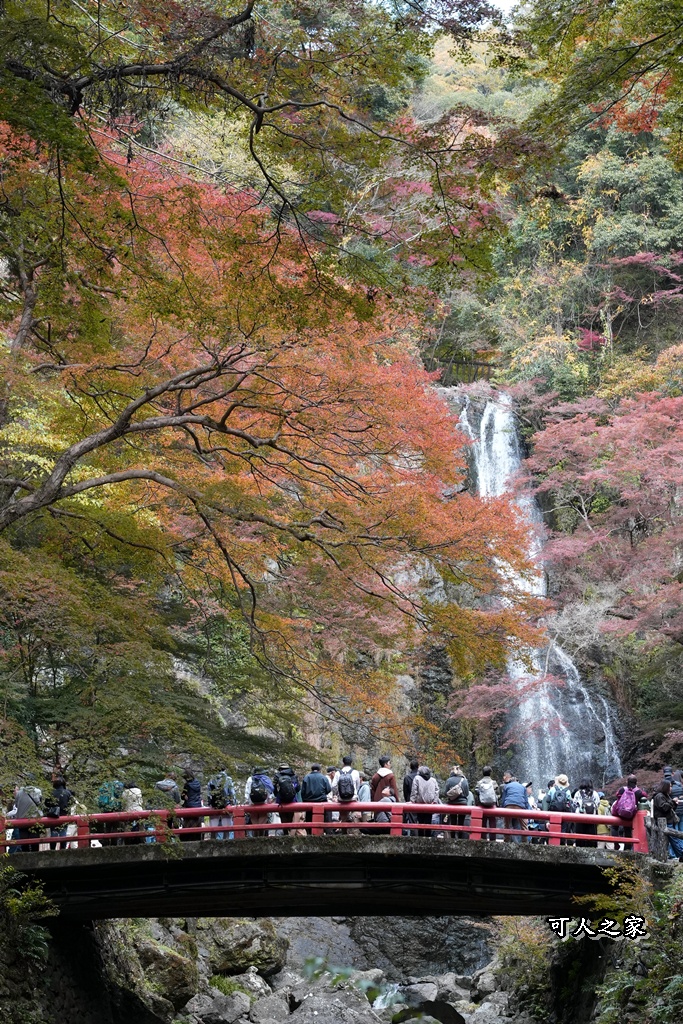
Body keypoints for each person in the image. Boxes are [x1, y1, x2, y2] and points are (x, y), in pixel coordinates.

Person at [610, 774, 647, 849]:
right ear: (636, 782)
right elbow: (645, 795)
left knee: (614, 827)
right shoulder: (638, 792)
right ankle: (627, 848)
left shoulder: (622, 789)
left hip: (619, 813)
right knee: (628, 830)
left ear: (627, 781)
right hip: (629, 814)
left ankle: (616, 844)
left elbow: (617, 795)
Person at [653, 780, 683, 860]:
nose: (671, 788)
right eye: (670, 786)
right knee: (674, 839)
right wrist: (672, 802)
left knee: (675, 839)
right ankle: (681, 854)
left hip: (668, 820)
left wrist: (674, 803)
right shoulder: (659, 796)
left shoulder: (665, 795)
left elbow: (670, 808)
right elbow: (664, 808)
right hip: (664, 821)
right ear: (665, 787)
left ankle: (680, 854)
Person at [10, 784, 42, 853]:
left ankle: (25, 855)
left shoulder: (19, 793)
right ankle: (35, 855)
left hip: (22, 820)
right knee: (35, 840)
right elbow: (40, 804)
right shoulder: (38, 791)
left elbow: (16, 805)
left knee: (24, 842)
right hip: (34, 820)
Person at [44, 773, 73, 850]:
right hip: (64, 815)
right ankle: (63, 849)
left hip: (53, 815)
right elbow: (71, 803)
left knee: (53, 833)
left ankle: (52, 849)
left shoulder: (51, 792)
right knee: (63, 832)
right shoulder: (67, 793)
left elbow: (46, 803)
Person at [410, 765, 440, 837]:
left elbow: (414, 791)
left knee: (420, 822)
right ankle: (428, 837)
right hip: (430, 805)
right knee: (428, 822)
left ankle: (420, 838)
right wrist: (435, 801)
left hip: (419, 804)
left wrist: (412, 801)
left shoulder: (417, 778)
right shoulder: (433, 780)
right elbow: (437, 790)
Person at [500, 772, 529, 843]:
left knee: (507, 824)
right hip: (520, 805)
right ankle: (525, 842)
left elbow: (503, 799)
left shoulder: (506, 786)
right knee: (524, 825)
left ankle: (506, 841)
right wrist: (527, 811)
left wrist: (502, 809)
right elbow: (526, 800)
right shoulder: (523, 787)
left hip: (508, 805)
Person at [207, 770, 236, 840]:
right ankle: (226, 843)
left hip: (214, 806)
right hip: (226, 806)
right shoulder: (228, 779)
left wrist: (210, 804)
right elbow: (232, 793)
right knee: (226, 829)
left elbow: (209, 794)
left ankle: (213, 843)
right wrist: (233, 803)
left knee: (213, 829)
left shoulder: (211, 779)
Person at [245, 767, 275, 836]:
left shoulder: (250, 779)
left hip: (253, 803)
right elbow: (269, 791)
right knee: (263, 818)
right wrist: (269, 800)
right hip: (263, 803)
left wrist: (247, 801)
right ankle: (261, 836)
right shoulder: (265, 779)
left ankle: (256, 836)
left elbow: (247, 792)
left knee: (254, 818)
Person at [443, 764, 470, 840]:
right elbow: (467, 793)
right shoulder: (464, 780)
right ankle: (460, 838)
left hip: (452, 804)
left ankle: (453, 838)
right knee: (461, 822)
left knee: (453, 821)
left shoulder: (449, 780)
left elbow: (445, 793)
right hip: (462, 804)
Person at [300, 763, 331, 829]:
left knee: (309, 821)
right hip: (321, 802)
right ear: (320, 770)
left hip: (308, 803)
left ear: (311, 770)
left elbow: (302, 791)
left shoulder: (306, 777)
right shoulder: (323, 778)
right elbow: (328, 789)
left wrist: (304, 800)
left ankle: (310, 835)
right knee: (323, 821)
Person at [547, 773, 575, 844]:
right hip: (564, 813)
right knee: (563, 828)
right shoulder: (567, 791)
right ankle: (562, 843)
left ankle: (552, 843)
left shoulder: (552, 789)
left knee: (553, 828)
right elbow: (569, 803)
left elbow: (547, 800)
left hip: (553, 812)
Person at [474, 766, 500, 841]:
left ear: (483, 773)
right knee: (492, 822)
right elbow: (498, 794)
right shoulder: (494, 782)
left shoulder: (479, 782)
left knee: (483, 822)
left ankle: (483, 838)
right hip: (492, 805)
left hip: (482, 805)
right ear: (490, 773)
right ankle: (493, 839)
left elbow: (476, 792)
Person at [573, 779, 600, 848]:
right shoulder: (595, 793)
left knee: (580, 837)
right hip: (592, 819)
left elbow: (574, 804)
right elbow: (597, 805)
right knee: (591, 838)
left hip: (580, 818)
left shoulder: (578, 793)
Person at [273, 763, 300, 831]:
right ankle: (290, 833)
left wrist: (277, 795)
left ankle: (285, 833)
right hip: (292, 800)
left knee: (283, 818)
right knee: (291, 817)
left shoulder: (277, 776)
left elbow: (274, 788)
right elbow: (298, 788)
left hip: (281, 801)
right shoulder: (294, 776)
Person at [180, 769, 203, 841]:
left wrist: (184, 797)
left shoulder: (187, 785)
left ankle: (187, 839)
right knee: (196, 823)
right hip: (197, 805)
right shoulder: (198, 783)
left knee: (188, 824)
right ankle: (197, 838)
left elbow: (183, 796)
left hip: (189, 805)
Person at [402, 758, 419, 834]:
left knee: (412, 821)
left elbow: (405, 792)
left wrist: (407, 800)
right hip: (420, 801)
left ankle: (413, 835)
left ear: (410, 767)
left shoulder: (407, 778)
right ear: (418, 767)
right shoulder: (421, 777)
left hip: (410, 802)